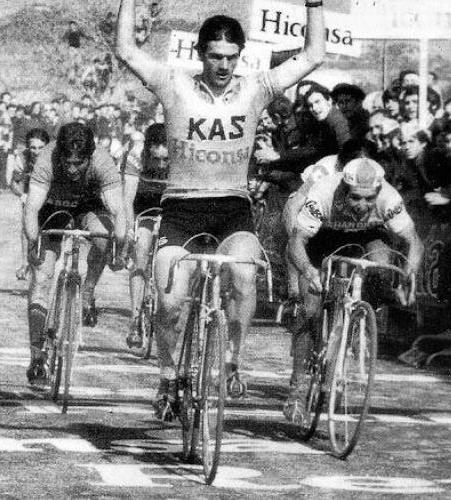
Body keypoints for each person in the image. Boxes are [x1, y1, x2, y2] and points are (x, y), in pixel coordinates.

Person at [116, 0, 326, 417]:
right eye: (215, 56)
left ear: (241, 55)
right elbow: (126, 50)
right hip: (182, 209)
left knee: (244, 277)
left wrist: (314, 4)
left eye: (232, 57)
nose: (224, 65)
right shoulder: (172, 83)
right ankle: (168, 376)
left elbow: (313, 55)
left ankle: (232, 360)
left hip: (232, 209)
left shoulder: (256, 88)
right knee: (170, 303)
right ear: (200, 53)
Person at [285, 158, 423, 422]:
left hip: (367, 235)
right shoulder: (324, 192)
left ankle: (356, 317)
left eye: (369, 199)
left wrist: (410, 275)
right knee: (310, 309)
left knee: (382, 266)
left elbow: (414, 242)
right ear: (344, 190)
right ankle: (297, 389)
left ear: (378, 192)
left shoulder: (389, 198)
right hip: (323, 237)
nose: (362, 205)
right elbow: (296, 241)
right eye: (355, 198)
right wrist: (308, 271)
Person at [23, 122, 128, 384]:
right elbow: (32, 208)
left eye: (78, 164)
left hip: (87, 206)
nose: (71, 169)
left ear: (89, 157)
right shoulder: (47, 158)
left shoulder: (102, 161)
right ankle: (37, 356)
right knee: (41, 279)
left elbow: (119, 210)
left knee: (105, 239)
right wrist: (33, 243)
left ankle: (88, 290)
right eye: (67, 163)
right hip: (51, 207)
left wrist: (119, 246)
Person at [122, 123, 169, 348]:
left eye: (165, 159)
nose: (160, 163)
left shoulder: (180, 157)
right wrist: (129, 229)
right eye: (155, 158)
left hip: (169, 207)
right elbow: (127, 199)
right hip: (144, 206)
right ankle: (135, 320)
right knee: (140, 251)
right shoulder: (135, 156)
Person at [10, 128, 50, 281]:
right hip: (30, 194)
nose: (37, 151)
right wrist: (22, 195)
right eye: (33, 148)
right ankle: (25, 263)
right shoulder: (22, 158)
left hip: (50, 195)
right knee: (26, 227)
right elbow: (14, 183)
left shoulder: (54, 157)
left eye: (41, 147)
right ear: (28, 147)